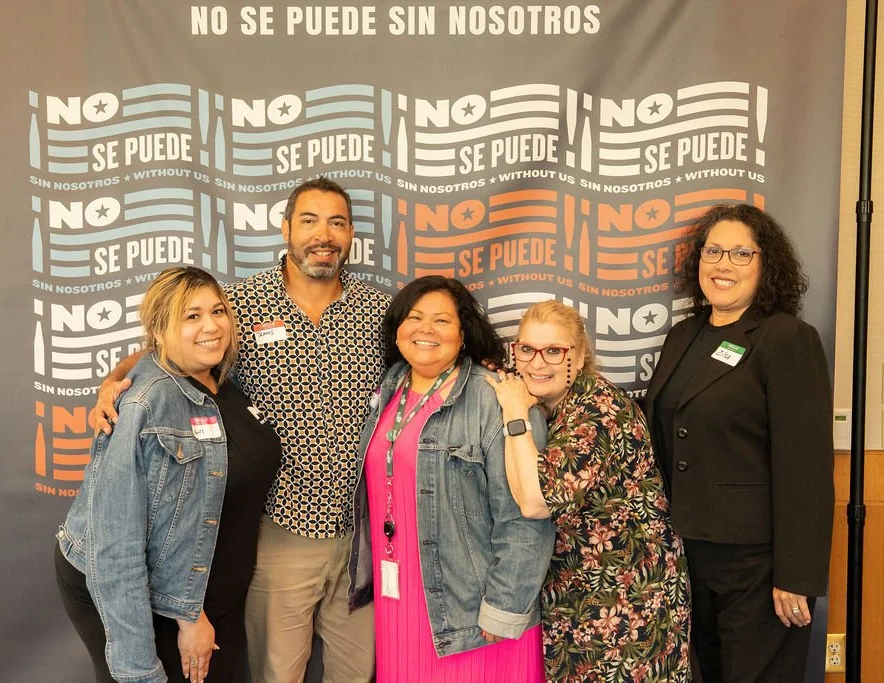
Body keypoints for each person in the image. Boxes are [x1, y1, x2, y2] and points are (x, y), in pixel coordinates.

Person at [90, 178, 390, 682]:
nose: (323, 234)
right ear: (286, 229)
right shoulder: (238, 305)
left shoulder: (380, 311)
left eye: (336, 222)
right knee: (278, 674)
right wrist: (113, 383)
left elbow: (433, 358)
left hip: (362, 534)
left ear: (351, 235)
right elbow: (164, 348)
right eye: (309, 220)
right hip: (281, 527)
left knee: (356, 674)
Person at [55, 266, 283, 683]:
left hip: (210, 593)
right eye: (191, 316)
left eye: (217, 311)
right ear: (159, 331)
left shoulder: (218, 376)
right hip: (148, 595)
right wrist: (182, 622)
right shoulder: (146, 405)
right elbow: (115, 546)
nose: (211, 326)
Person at [642, 203, 834, 682]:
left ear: (766, 265)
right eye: (713, 251)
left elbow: (806, 467)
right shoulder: (683, 336)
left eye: (741, 253)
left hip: (759, 564)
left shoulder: (786, 339)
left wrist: (796, 576)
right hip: (690, 554)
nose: (722, 264)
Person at [348, 276, 556, 682]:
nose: (425, 329)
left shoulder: (495, 398)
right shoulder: (390, 387)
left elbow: (525, 518)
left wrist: (505, 606)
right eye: (414, 317)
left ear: (463, 336)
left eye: (442, 320)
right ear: (397, 328)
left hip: (474, 613)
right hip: (399, 599)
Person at [488, 300, 691, 682]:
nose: (537, 363)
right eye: (527, 349)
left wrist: (514, 413)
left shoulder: (596, 411)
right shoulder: (558, 402)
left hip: (625, 608)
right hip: (584, 597)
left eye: (554, 351)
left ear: (579, 357)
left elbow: (534, 502)